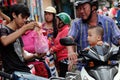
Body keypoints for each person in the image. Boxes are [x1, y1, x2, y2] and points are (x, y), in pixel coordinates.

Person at [67, 0, 120, 70]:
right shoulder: (76, 24)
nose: (81, 11)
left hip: (108, 67)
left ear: (93, 7)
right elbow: (70, 38)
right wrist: (71, 52)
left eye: (84, 8)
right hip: (85, 68)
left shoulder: (108, 22)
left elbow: (118, 38)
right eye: (79, 9)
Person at [0, 4, 48, 80]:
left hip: (25, 72)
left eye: (26, 18)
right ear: (14, 15)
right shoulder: (4, 30)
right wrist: (25, 28)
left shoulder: (18, 34)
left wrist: (35, 55)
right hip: (13, 74)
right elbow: (5, 41)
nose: (25, 20)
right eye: (23, 17)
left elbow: (23, 55)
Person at [50, 12, 71, 77]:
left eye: (57, 20)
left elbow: (62, 43)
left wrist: (53, 49)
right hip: (60, 58)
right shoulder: (61, 30)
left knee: (63, 76)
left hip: (65, 58)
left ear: (62, 21)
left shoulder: (66, 30)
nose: (56, 22)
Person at [42, 6, 58, 77]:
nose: (47, 16)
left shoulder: (57, 26)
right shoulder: (41, 26)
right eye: (46, 14)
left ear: (53, 16)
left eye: (49, 14)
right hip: (46, 52)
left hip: (56, 51)